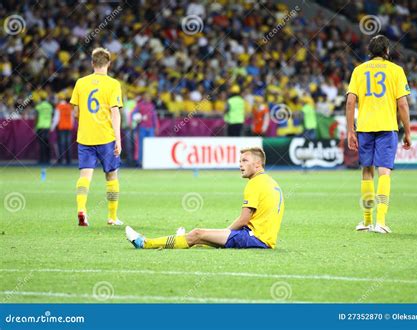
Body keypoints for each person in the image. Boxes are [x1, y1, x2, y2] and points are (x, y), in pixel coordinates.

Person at [125, 147, 285, 249]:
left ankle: (145, 243)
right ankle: (180, 239)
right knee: (201, 239)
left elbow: (244, 219)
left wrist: (226, 232)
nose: (240, 164)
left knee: (197, 233)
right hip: (263, 238)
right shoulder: (272, 182)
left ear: (258, 165)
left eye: (245, 160)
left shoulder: (255, 183)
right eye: (239, 160)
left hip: (255, 238)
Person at [346, 35, 411, 234]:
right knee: (384, 171)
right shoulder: (396, 71)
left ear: (369, 52)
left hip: (365, 127)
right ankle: (380, 222)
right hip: (387, 127)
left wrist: (350, 130)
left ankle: (366, 221)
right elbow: (402, 104)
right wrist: (408, 131)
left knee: (367, 171)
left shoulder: (359, 70)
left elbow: (350, 102)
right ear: (386, 52)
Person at [70, 47, 123, 227]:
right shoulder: (113, 84)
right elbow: (115, 113)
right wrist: (118, 139)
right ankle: (112, 217)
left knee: (85, 175)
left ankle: (81, 209)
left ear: (92, 63)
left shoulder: (80, 83)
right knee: (112, 176)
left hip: (85, 137)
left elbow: (76, 111)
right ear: (108, 64)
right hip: (106, 137)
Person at [132, 91, 158, 166]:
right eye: (146, 97)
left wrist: (156, 127)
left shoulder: (152, 106)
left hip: (150, 128)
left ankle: (150, 161)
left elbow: (154, 117)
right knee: (141, 145)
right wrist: (138, 119)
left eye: (149, 97)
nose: (148, 98)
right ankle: (140, 162)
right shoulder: (139, 105)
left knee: (151, 145)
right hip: (142, 128)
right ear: (144, 97)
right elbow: (133, 114)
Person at [50, 92, 74, 165]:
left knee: (61, 144)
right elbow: (72, 118)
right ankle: (69, 160)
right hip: (68, 127)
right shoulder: (69, 107)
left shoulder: (58, 107)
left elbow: (56, 119)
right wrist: (71, 126)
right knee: (68, 144)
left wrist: (52, 128)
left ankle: (60, 160)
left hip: (61, 127)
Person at [35, 97, 53, 164]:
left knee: (41, 144)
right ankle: (48, 159)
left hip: (40, 126)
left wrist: (35, 126)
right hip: (47, 127)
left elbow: (36, 117)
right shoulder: (50, 106)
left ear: (41, 100)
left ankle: (42, 160)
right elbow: (51, 116)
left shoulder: (39, 106)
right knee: (47, 143)